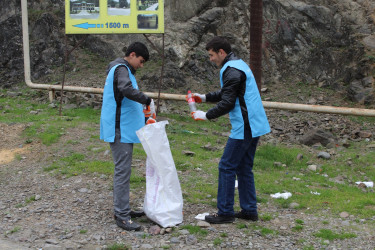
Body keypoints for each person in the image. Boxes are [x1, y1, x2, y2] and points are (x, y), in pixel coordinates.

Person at [190, 36, 271, 224]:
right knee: (244, 168)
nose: (210, 59)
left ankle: (225, 212)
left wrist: (206, 115)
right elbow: (229, 92)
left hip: (245, 125)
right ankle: (249, 210)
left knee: (226, 166)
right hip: (255, 124)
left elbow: (227, 102)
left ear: (221, 52)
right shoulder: (237, 64)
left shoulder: (231, 70)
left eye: (211, 55)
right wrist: (204, 97)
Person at [100, 42, 156, 231]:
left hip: (122, 129)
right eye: (140, 61)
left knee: (123, 171)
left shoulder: (119, 68)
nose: (141, 65)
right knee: (122, 172)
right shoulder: (122, 69)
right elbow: (125, 89)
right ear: (132, 55)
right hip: (119, 130)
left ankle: (122, 209)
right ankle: (122, 216)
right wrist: (146, 99)